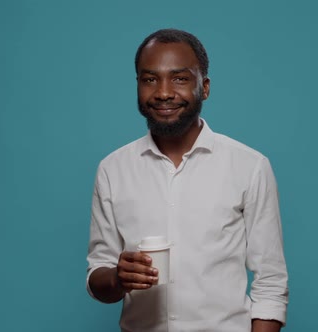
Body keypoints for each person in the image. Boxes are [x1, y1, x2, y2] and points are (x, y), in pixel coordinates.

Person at [86, 28, 289, 332]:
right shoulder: (112, 169)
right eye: (149, 79)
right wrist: (117, 278)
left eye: (180, 78)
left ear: (204, 87)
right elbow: (98, 275)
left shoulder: (250, 166)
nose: (163, 92)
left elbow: (270, 282)